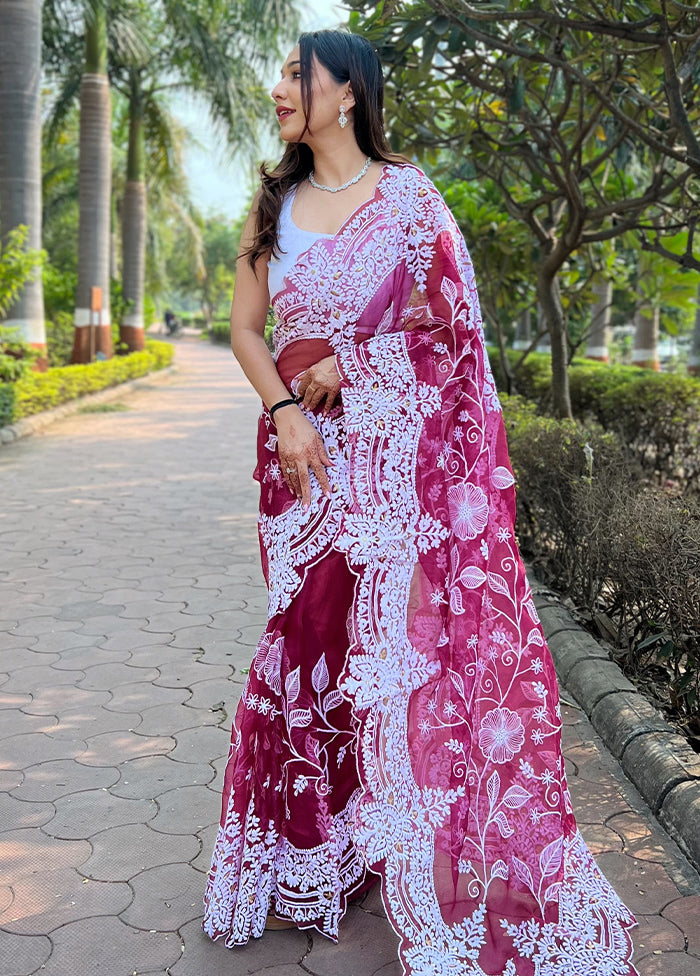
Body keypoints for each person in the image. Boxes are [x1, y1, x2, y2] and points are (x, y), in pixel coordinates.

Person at [203, 28, 639, 976]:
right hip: (300, 464)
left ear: (346, 91)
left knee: (400, 655)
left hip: (402, 474)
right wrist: (284, 407)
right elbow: (245, 328)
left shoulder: (408, 198)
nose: (278, 88)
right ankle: (309, 859)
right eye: (281, 73)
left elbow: (454, 340)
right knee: (308, 641)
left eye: (295, 73)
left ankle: (416, 842)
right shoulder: (270, 202)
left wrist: (351, 369)